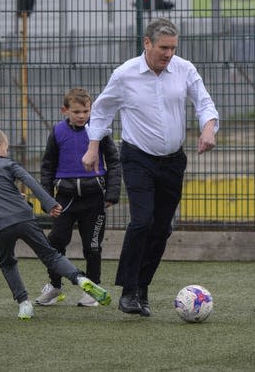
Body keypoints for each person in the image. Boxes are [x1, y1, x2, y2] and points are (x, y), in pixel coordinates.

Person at [81, 17, 219, 316]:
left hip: (173, 162)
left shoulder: (185, 69)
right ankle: (128, 291)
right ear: (147, 43)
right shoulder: (124, 75)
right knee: (142, 221)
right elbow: (102, 112)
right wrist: (93, 148)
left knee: (162, 228)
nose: (168, 54)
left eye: (172, 48)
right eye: (163, 47)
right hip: (137, 157)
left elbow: (204, 103)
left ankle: (142, 287)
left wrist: (208, 128)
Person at [0, 127, 111, 319]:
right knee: (51, 256)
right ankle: (80, 279)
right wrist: (49, 204)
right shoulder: (7, 164)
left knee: (7, 263)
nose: (6, 153)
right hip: (23, 218)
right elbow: (30, 181)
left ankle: (24, 303)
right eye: (6, 149)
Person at [34, 88, 120, 308]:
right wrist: (47, 198)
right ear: (65, 110)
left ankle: (93, 288)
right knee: (55, 242)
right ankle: (55, 286)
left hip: (94, 199)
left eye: (86, 111)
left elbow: (114, 161)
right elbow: (47, 166)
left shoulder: (99, 131)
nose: (82, 116)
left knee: (92, 246)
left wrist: (112, 192)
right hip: (65, 199)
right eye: (76, 111)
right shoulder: (57, 132)